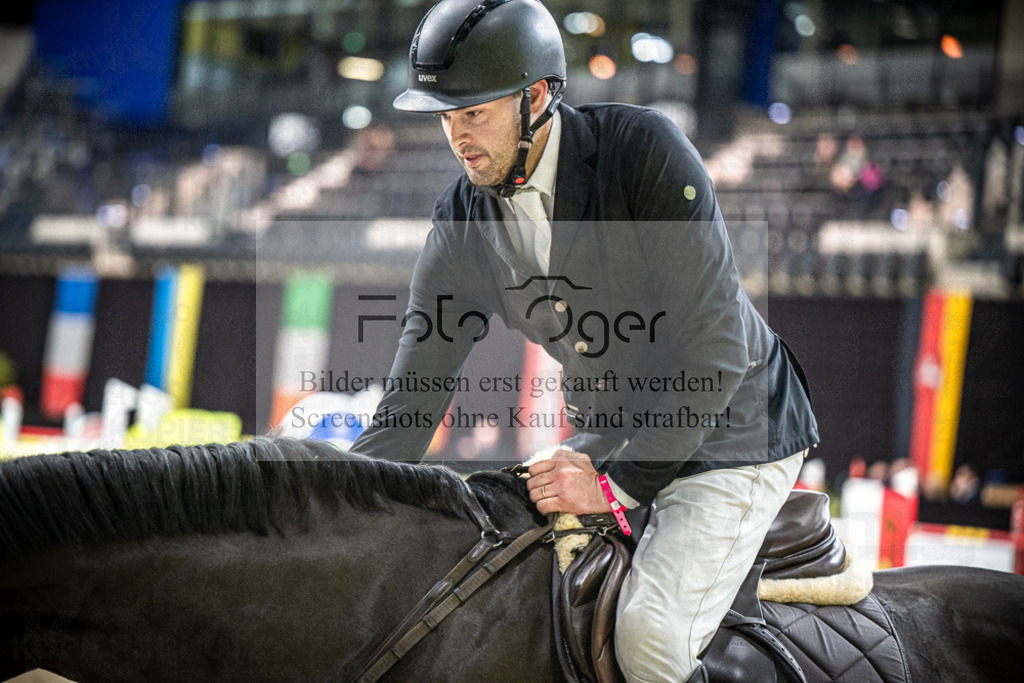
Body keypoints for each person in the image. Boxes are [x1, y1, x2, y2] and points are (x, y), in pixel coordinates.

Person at [350, 1, 818, 681]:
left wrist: (617, 485)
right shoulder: (461, 219)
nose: (457, 137)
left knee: (650, 642)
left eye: (474, 112)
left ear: (536, 96)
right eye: (446, 117)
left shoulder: (642, 152)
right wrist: (343, 497)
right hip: (613, 435)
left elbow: (717, 346)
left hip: (734, 431)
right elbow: (414, 397)